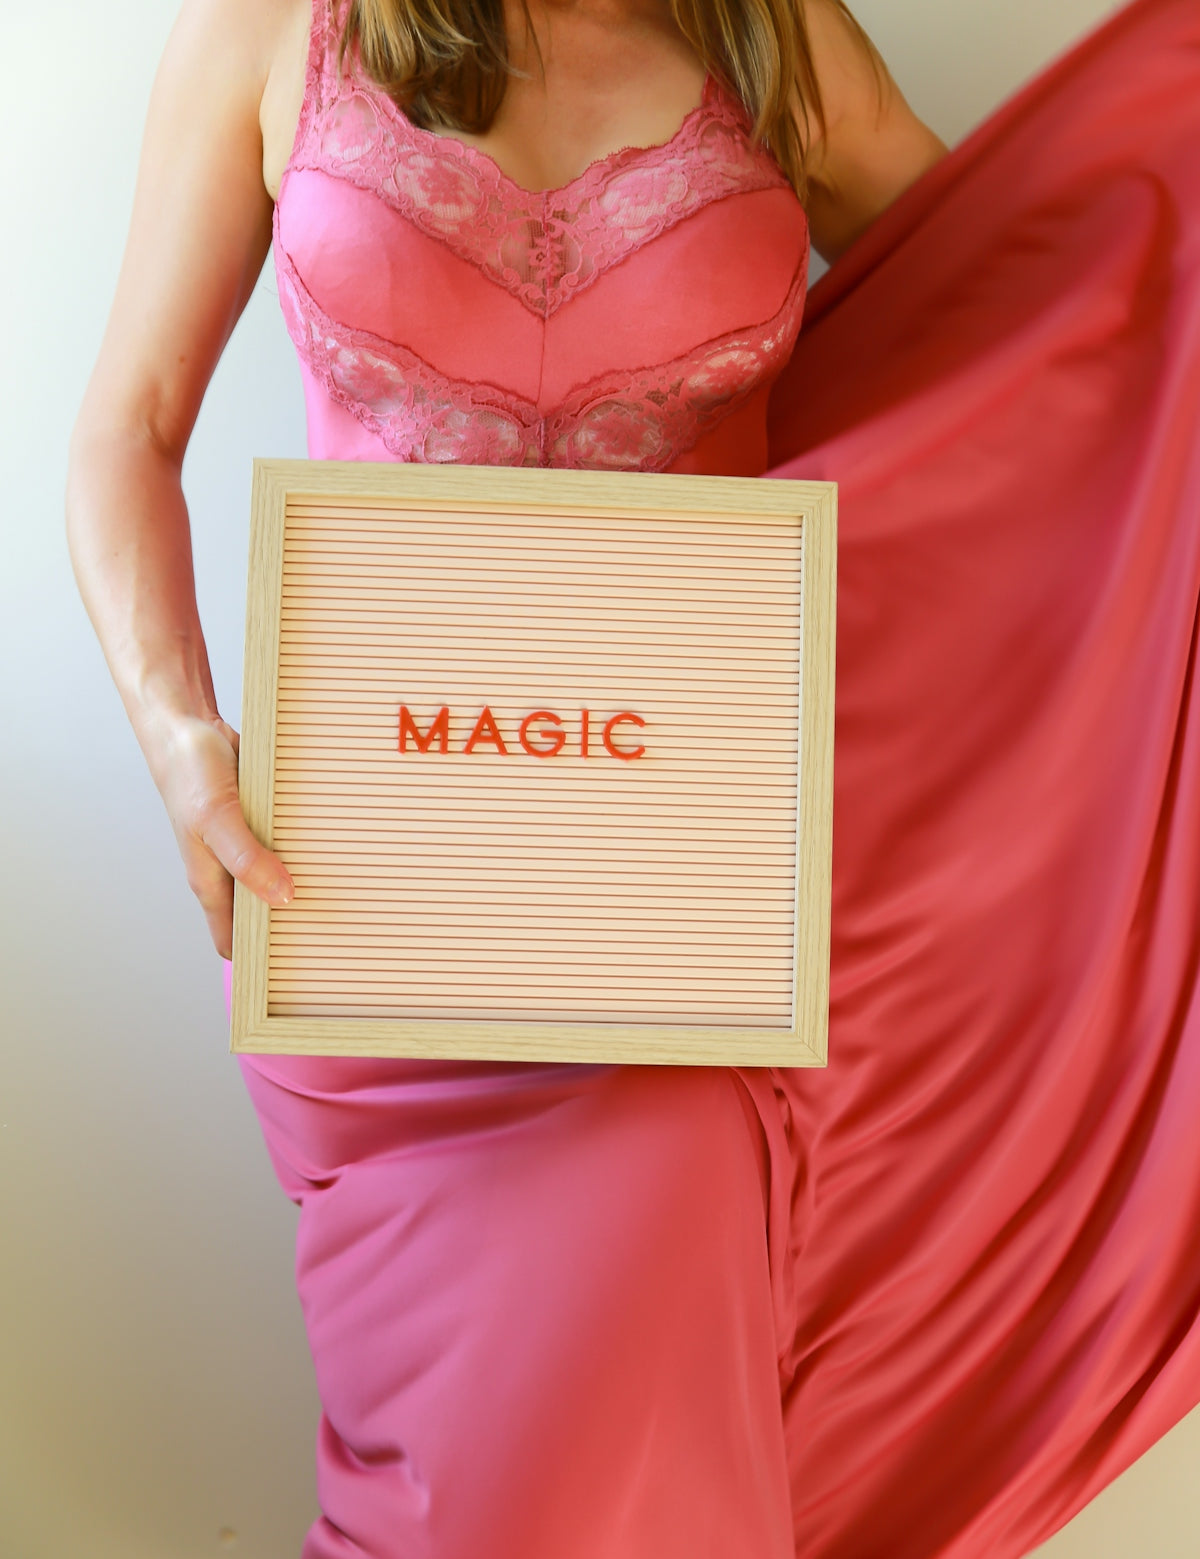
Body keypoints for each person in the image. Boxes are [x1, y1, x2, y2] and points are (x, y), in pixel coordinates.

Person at [65, 0, 1200, 1553]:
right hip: (372, 913)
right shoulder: (268, 31)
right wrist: (184, 742)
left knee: (654, 1241)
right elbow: (123, 430)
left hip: (691, 932)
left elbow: (1036, 312)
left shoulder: (775, 40)